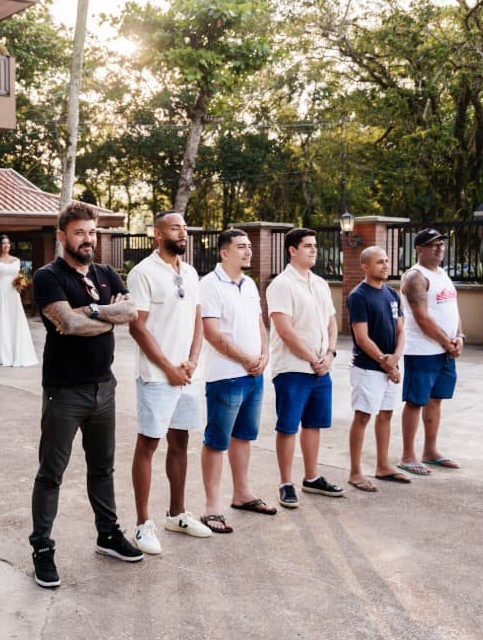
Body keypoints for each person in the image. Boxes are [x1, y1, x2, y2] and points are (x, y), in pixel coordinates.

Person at [28, 201, 142, 588]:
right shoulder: (48, 276)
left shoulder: (107, 272)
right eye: (80, 232)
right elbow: (68, 324)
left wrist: (91, 313)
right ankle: (42, 548)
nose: (88, 239)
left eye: (92, 232)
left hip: (103, 388)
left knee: (102, 469)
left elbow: (131, 314)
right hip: (65, 391)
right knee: (51, 474)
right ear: (63, 236)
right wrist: (102, 315)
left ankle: (108, 534)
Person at [127, 210, 209, 553]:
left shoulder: (190, 273)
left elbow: (198, 321)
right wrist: (168, 368)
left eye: (185, 228)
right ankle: (143, 524)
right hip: (157, 376)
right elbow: (137, 326)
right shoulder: (142, 272)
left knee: (180, 442)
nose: (183, 233)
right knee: (148, 445)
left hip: (187, 375)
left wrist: (190, 361)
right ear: (156, 234)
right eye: (175, 227)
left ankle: (177, 514)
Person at [198, 229, 275, 535]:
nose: (248, 252)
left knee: (243, 436)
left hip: (254, 375)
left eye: (249, 247)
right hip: (226, 377)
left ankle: (242, 494)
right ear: (224, 252)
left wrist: (264, 355)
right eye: (241, 247)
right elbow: (212, 334)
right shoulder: (210, 285)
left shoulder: (250, 284)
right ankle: (212, 507)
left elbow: (260, 324)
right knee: (216, 441)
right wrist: (245, 358)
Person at [266, 227, 344, 509]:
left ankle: (311, 477)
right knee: (288, 426)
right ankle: (286, 482)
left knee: (314, 424)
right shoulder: (282, 285)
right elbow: (285, 330)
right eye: (308, 245)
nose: (314, 250)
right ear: (292, 250)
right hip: (293, 368)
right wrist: (313, 358)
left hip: (322, 367)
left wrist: (330, 354)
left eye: (315, 245)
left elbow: (332, 323)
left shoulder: (320, 283)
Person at [398, 228, 465, 475]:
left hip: (445, 350)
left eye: (441, 244)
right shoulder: (415, 277)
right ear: (419, 249)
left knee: (436, 400)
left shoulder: (442, 274)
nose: (439, 249)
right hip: (423, 351)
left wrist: (459, 336)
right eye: (432, 245)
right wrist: (447, 343)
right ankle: (408, 456)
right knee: (416, 401)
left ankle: (430, 451)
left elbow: (452, 309)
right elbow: (422, 318)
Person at [346, 246, 410, 490]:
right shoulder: (358, 296)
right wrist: (386, 362)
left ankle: (383, 466)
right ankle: (355, 472)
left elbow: (401, 330)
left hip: (390, 365)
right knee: (363, 415)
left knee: (386, 414)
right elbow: (362, 338)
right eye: (379, 262)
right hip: (367, 368)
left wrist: (395, 359)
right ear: (365, 267)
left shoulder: (392, 295)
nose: (385, 265)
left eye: (386, 261)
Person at [0, 235, 37, 367]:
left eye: (7, 243)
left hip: (12, 294)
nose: (5, 246)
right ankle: (0, 355)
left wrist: (20, 283)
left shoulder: (16, 260)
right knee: (0, 322)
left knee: (14, 321)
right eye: (2, 244)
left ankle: (15, 353)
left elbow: (17, 277)